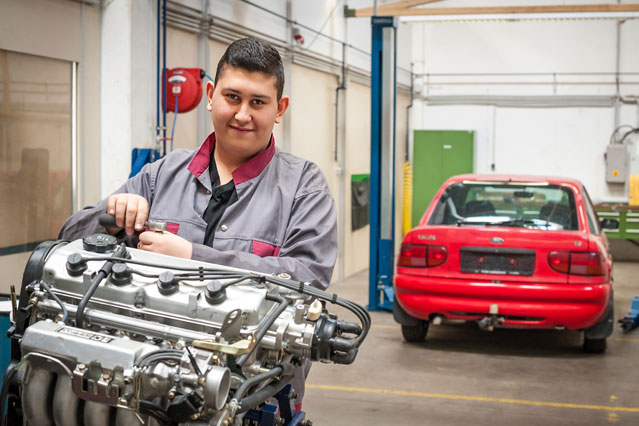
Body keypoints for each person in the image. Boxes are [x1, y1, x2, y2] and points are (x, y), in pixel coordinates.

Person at [59, 37, 338, 407]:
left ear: (280, 108)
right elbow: (67, 240)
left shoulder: (304, 186)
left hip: (250, 395)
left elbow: (308, 280)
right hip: (149, 383)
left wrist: (192, 256)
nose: (242, 114)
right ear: (210, 95)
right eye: (232, 97)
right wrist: (109, 215)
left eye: (258, 102)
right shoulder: (162, 174)